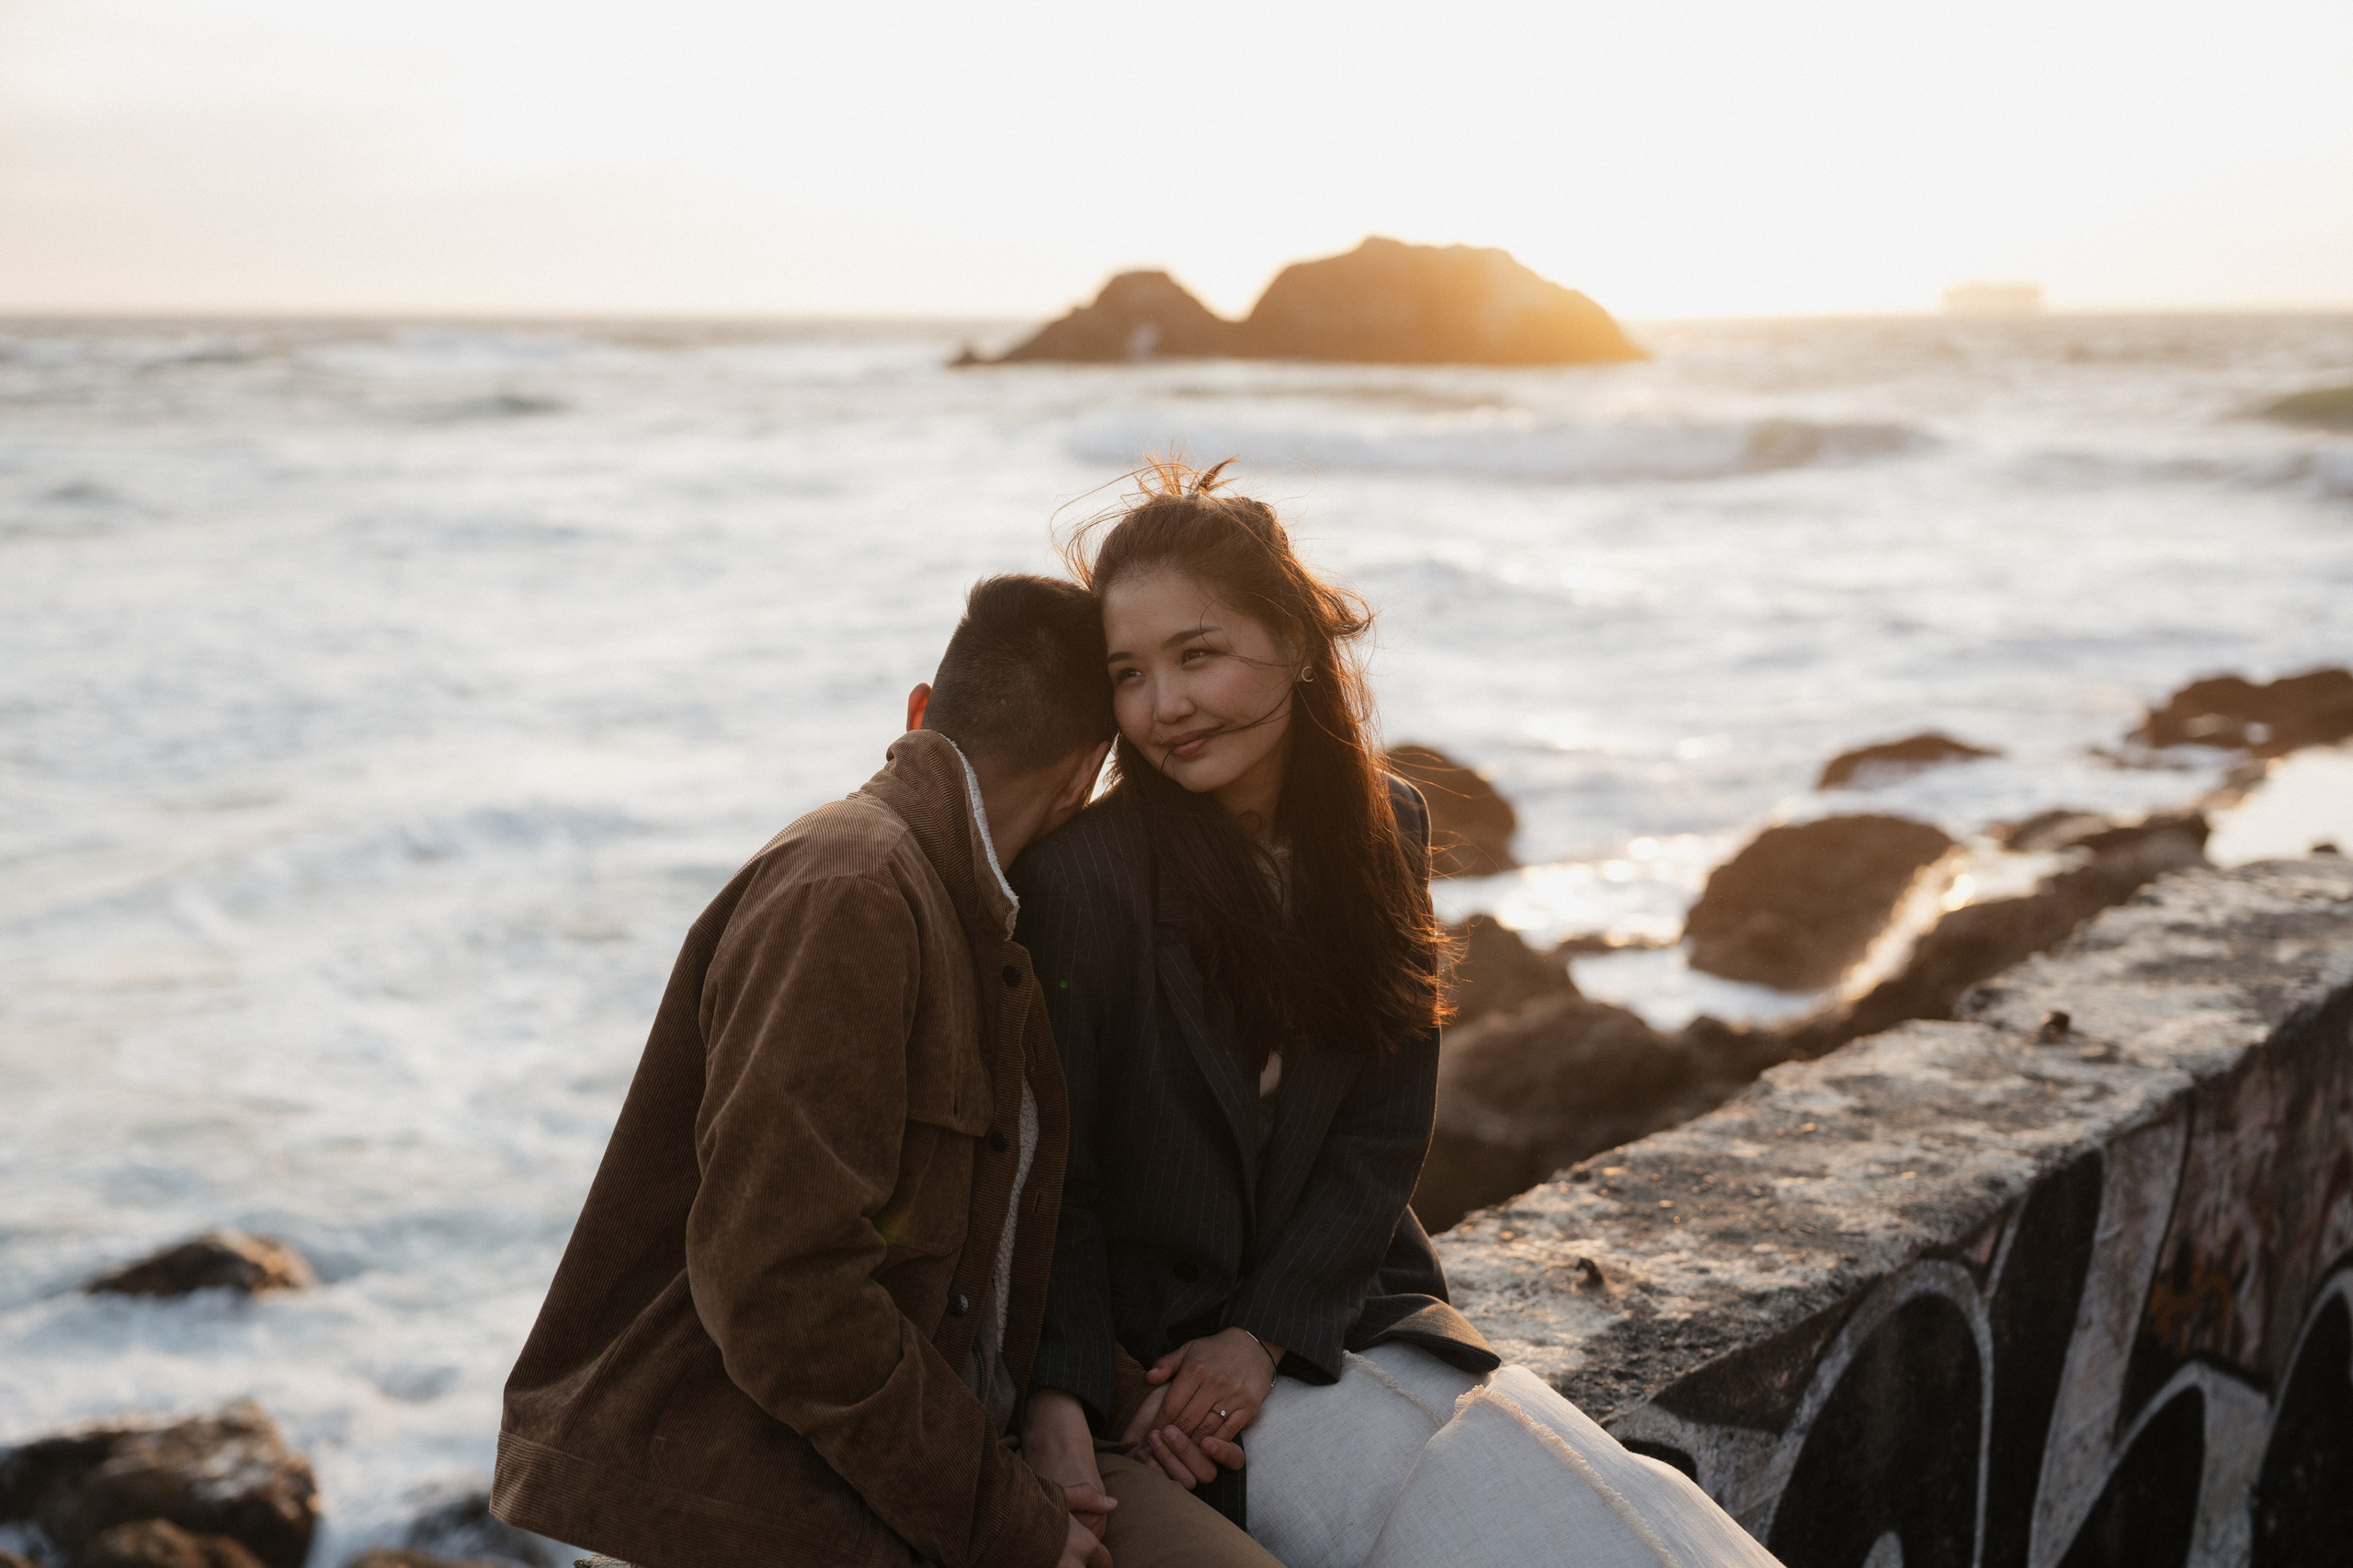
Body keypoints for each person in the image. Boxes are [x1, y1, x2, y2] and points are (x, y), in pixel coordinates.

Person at [1011, 467, 1784, 1568]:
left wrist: (1265, 1329)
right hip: (1155, 1368)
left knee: (1624, 1515)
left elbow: (1382, 1121)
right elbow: (1057, 1169)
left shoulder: (1387, 823)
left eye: (1197, 653)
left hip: (1345, 1309)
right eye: (1126, 675)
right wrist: (1079, 1388)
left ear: (1293, 636)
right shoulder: (1084, 874)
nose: (1163, 705)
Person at [492, 575, 1128, 1568]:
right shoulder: (856, 889)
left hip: (872, 1487)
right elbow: (783, 1285)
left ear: (919, 709)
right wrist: (1007, 1522)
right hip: (747, 1507)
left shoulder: (958, 910)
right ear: (1087, 770)